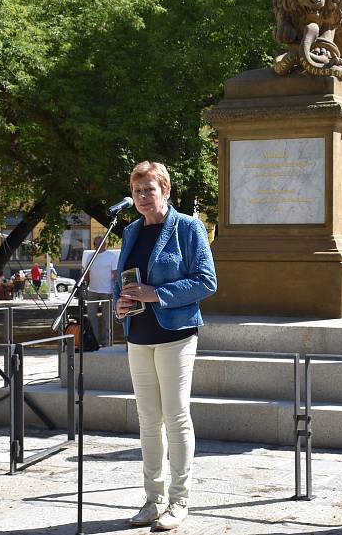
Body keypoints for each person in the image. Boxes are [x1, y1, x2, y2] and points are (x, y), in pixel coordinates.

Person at [113, 161, 217, 531]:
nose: (142, 197)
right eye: (137, 190)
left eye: (149, 190)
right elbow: (123, 281)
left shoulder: (188, 228)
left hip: (175, 335)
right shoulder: (130, 231)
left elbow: (207, 281)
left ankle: (179, 501)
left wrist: (156, 294)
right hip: (138, 335)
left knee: (175, 417)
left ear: (166, 190)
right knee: (147, 420)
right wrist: (120, 303)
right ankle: (152, 500)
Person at [82, 236, 117, 346]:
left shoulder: (111, 256)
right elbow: (87, 274)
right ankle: (94, 340)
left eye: (98, 243)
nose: (95, 246)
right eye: (94, 243)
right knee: (91, 316)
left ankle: (107, 341)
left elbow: (115, 275)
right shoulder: (90, 257)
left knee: (107, 318)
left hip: (107, 291)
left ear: (104, 244)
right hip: (92, 290)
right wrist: (85, 285)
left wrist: (115, 290)